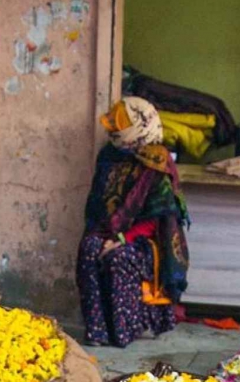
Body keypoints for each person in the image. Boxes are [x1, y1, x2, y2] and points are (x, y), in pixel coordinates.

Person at [79, 97, 190, 348]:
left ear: (139, 127)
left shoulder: (157, 161)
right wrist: (106, 236)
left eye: (120, 124)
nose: (113, 130)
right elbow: (98, 205)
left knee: (119, 258)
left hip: (145, 241)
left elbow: (156, 219)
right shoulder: (109, 156)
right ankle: (97, 332)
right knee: (89, 249)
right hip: (108, 230)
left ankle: (122, 332)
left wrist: (120, 240)